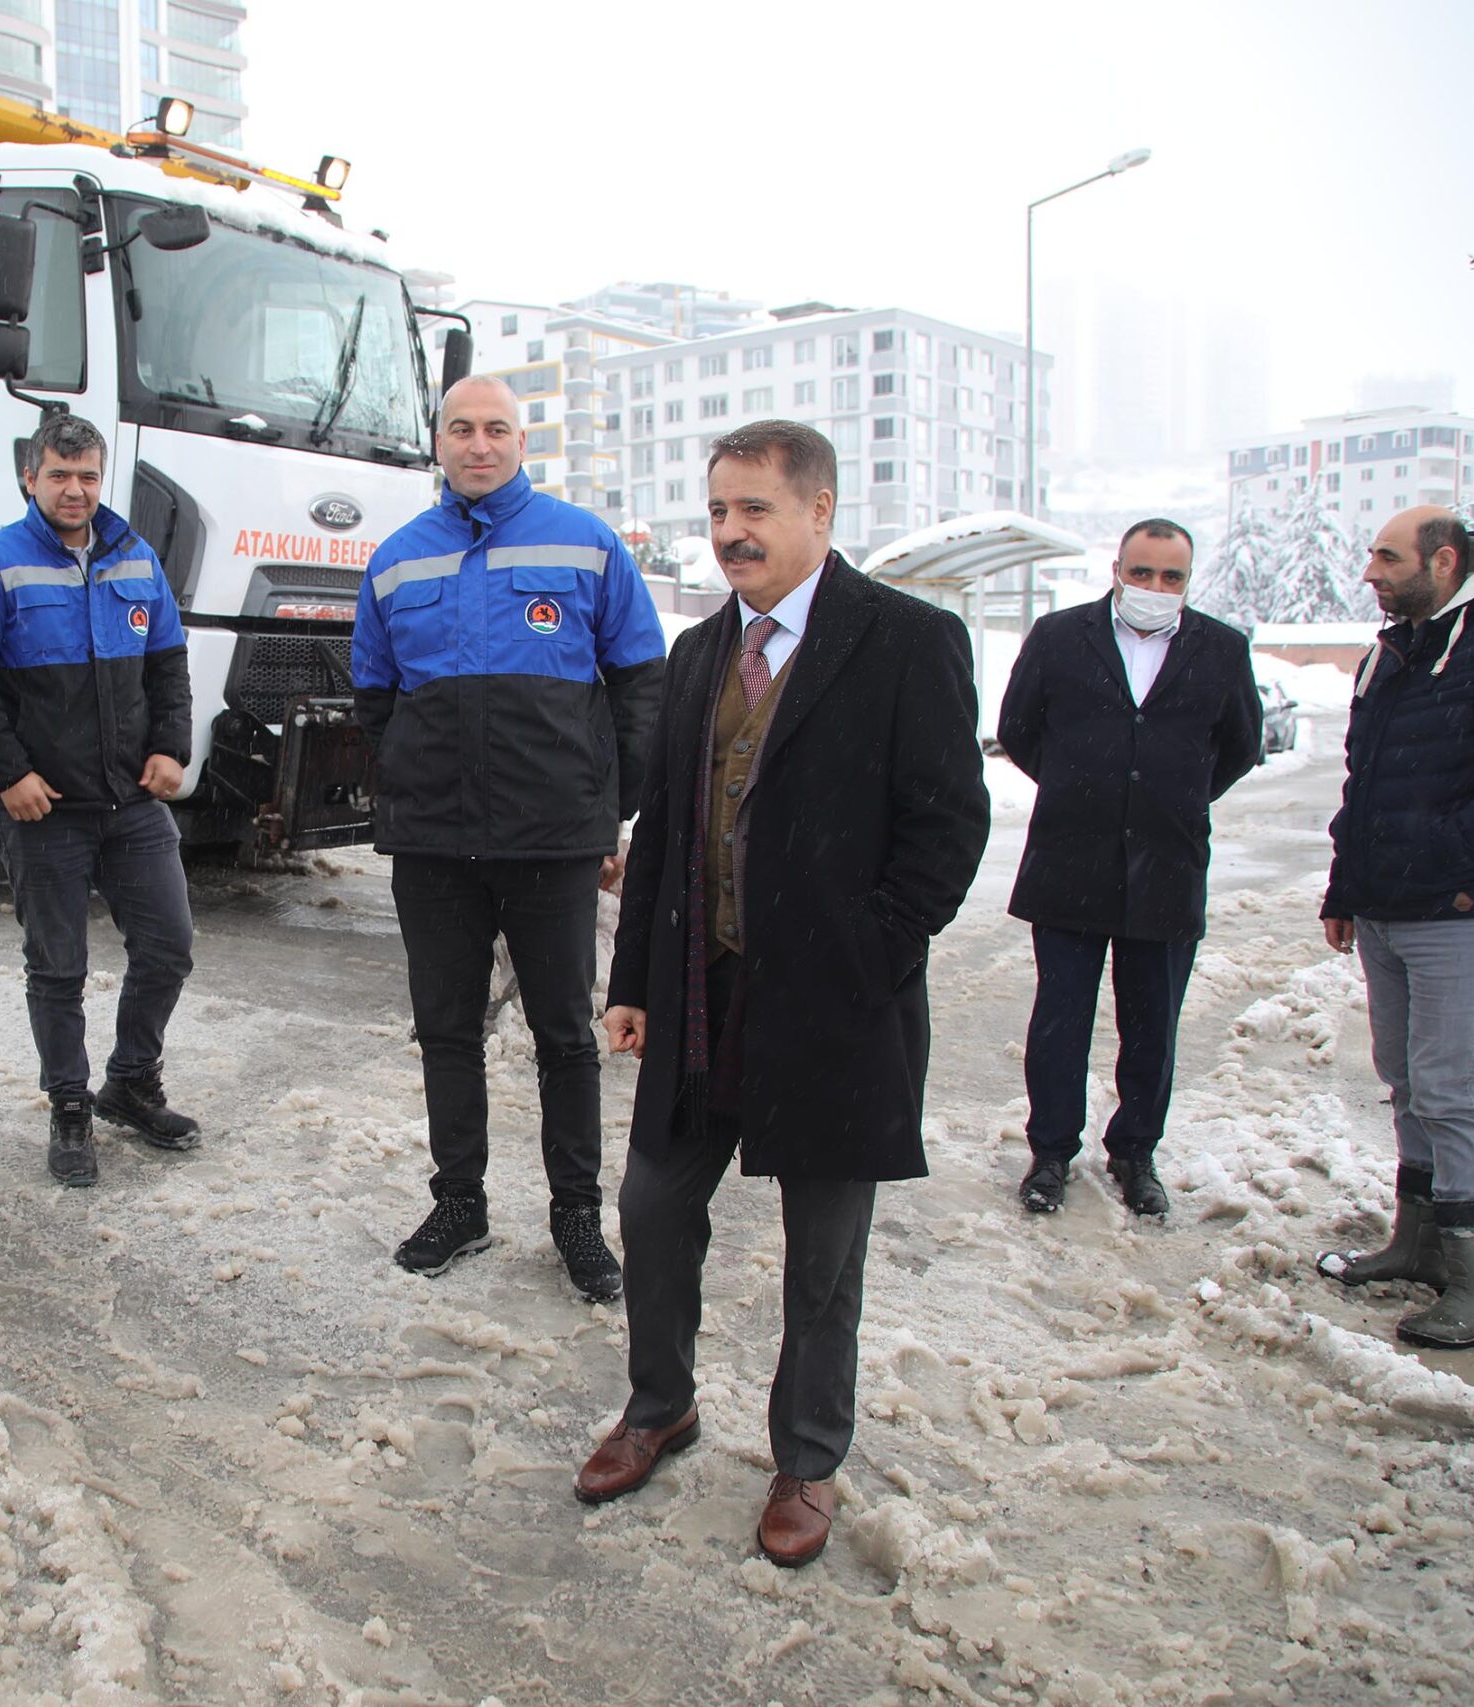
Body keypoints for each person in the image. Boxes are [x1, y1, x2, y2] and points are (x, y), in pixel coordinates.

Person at [577, 421, 990, 1569]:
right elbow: (665, 831)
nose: (730, 532)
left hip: (836, 1012)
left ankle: (806, 1458)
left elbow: (947, 829)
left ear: (819, 511)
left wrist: (867, 957)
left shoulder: (906, 641)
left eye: (754, 508)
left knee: (823, 1258)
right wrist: (633, 980)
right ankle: (659, 1406)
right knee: (652, 1212)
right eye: (718, 511)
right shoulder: (699, 652)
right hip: (698, 996)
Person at [351, 373, 666, 1301]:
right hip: (434, 845)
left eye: (496, 428)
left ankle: (576, 1215)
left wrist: (611, 808)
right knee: (446, 1029)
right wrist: (416, 780)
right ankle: (460, 1203)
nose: (478, 444)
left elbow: (641, 685)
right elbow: (375, 698)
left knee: (565, 1034)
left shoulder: (587, 543)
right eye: (461, 428)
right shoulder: (397, 559)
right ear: (439, 443)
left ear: (523, 443)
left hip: (553, 840)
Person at [0, 412, 200, 1187]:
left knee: (168, 945)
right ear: (30, 477)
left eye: (88, 475)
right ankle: (69, 1107)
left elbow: (168, 665)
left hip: (131, 801)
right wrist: (8, 775)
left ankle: (130, 1082)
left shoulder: (135, 556)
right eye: (59, 475)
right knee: (58, 966)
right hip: (43, 806)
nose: (75, 489)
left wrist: (171, 746)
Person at [998, 519, 1263, 1218]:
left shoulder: (1222, 649)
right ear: (1117, 568)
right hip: (1070, 860)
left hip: (1168, 865)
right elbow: (1019, 726)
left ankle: (1135, 1152)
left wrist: (1169, 797)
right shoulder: (1060, 637)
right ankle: (1051, 1151)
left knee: (1153, 1024)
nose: (1154, 586)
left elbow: (1240, 746)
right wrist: (1082, 787)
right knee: (1060, 1019)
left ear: (1189, 580)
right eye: (1141, 572)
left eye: (1171, 576)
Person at [1316, 508, 1474, 1351]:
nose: (1370, 570)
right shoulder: (1395, 650)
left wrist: (1435, 859)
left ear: (1441, 562)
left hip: (1466, 914)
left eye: (1387, 557)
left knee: (1451, 1088)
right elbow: (1362, 782)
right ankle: (1421, 1243)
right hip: (1387, 911)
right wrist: (1348, 885)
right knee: (1406, 1080)